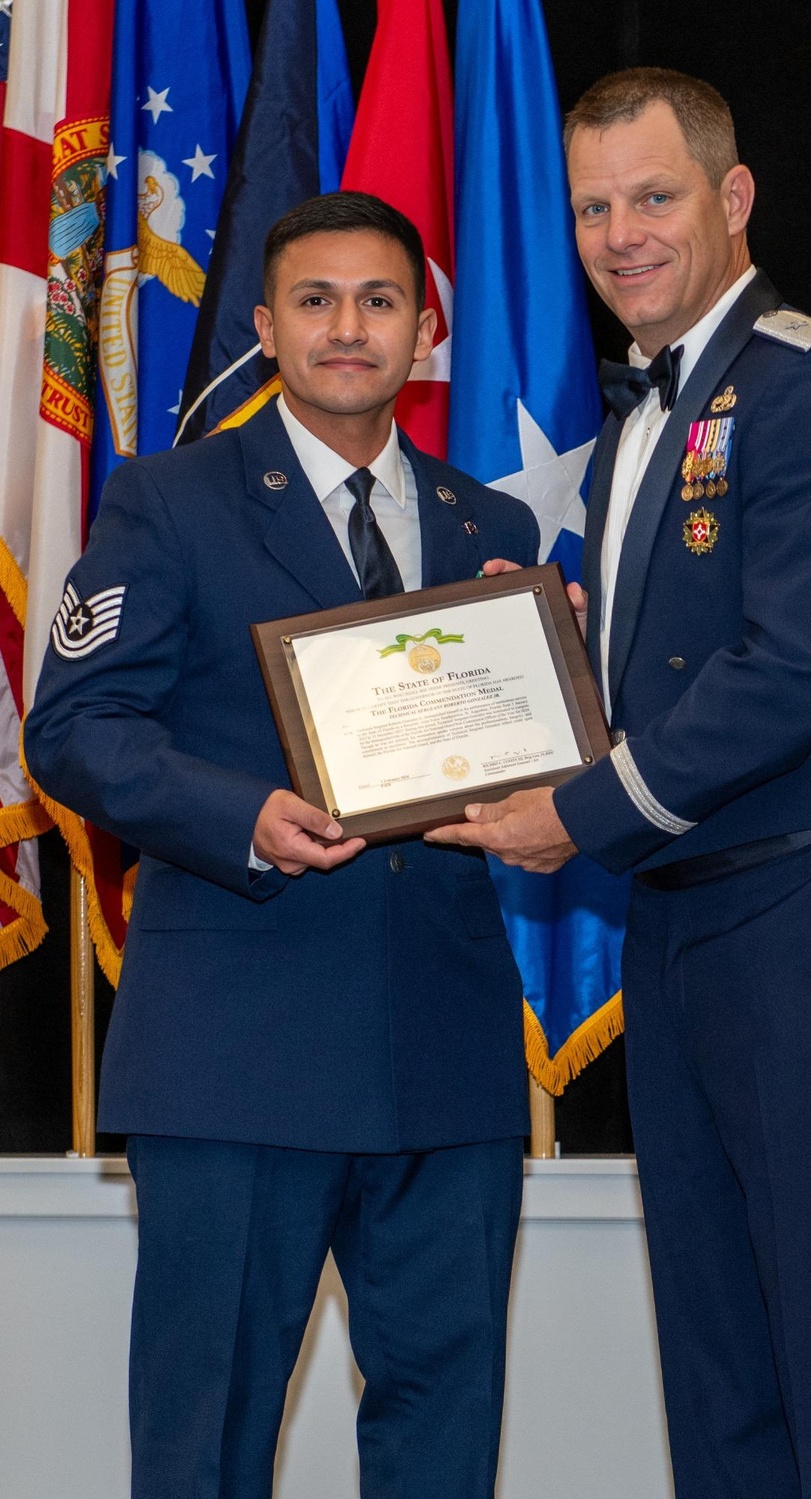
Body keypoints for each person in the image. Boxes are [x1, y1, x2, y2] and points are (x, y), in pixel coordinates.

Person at [427, 67, 811, 1499]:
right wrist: (547, 652)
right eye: (594, 207)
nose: (619, 235)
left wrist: (576, 811)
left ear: (732, 200)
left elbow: (793, 669)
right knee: (715, 1342)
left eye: (652, 198)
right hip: (685, 911)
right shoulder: (653, 406)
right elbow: (679, 666)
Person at [24, 191, 539, 1499]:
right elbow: (76, 727)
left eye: (379, 300)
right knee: (211, 1434)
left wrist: (550, 758)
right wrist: (235, 811)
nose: (349, 328)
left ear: (426, 328)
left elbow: (523, 761)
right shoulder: (173, 500)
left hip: (447, 1051)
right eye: (316, 301)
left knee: (445, 1424)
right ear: (266, 327)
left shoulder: (498, 532)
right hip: (237, 1049)